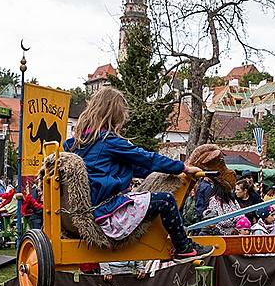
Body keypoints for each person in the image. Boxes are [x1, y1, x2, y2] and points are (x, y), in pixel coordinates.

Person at [63, 87, 210, 260]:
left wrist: (164, 170)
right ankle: (183, 248)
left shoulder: (77, 144)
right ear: (114, 114)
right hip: (107, 213)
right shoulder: (109, 141)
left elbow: (133, 168)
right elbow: (147, 159)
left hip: (90, 210)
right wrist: (182, 168)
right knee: (166, 200)